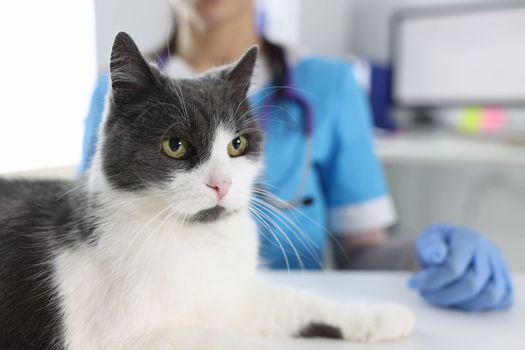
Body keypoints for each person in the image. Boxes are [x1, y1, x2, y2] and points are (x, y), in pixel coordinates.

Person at [79, 0, 513, 311]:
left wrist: (428, 255)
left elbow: (359, 251)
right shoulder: (119, 91)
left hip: (285, 320)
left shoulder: (330, 83)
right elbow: (92, 233)